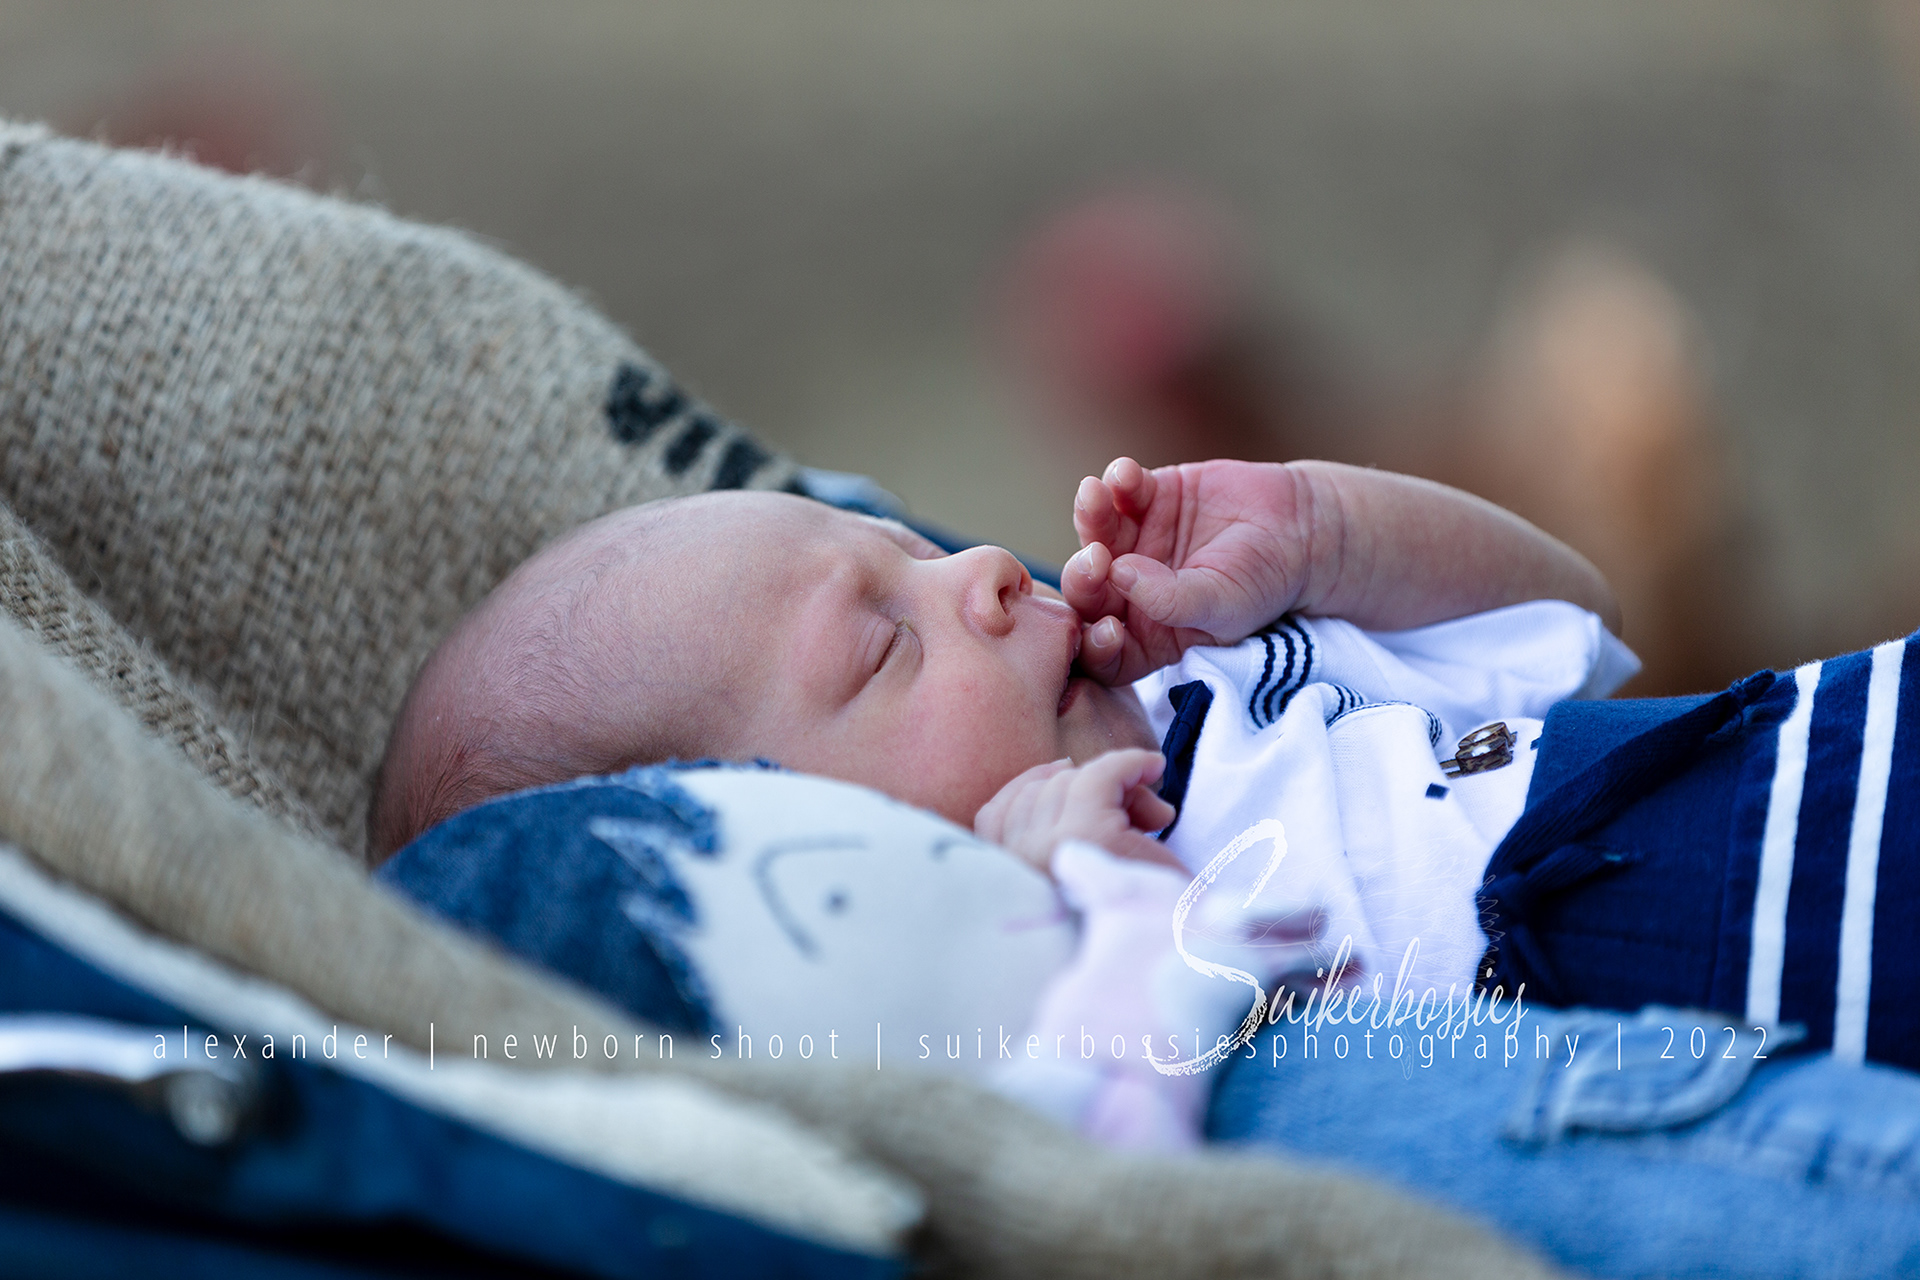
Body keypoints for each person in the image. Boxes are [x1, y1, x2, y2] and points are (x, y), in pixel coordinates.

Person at [370, 452, 1920, 1091]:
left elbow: (1571, 626)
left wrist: (1325, 533)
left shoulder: (1212, 681)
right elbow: (1161, 1078)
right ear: (799, 869)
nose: (982, 567)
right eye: (882, 649)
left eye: (910, 552)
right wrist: (1088, 887)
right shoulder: (1020, 992)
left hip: (1823, 753)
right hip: (1794, 978)